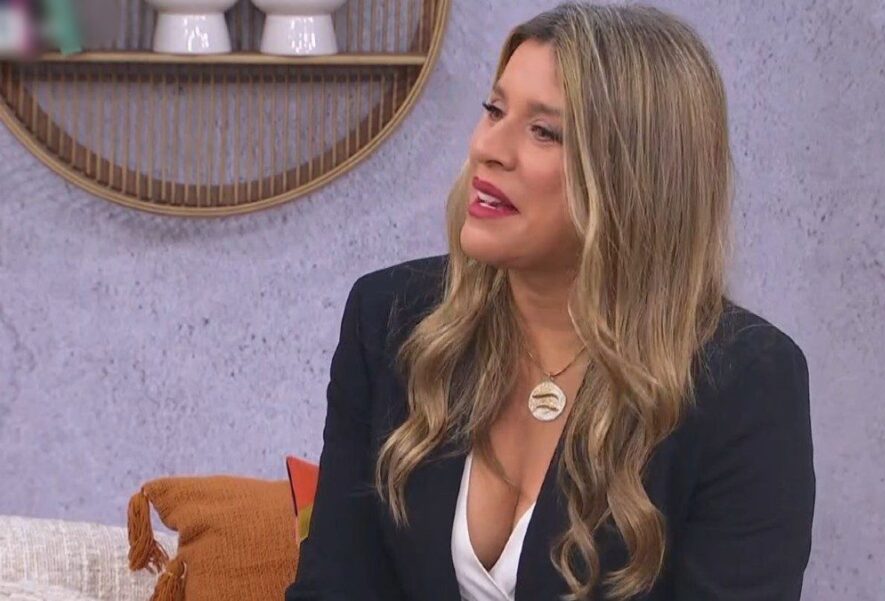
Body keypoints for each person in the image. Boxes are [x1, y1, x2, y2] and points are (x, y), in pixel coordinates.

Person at [284, 3, 815, 600]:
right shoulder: (391, 319)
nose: (489, 148)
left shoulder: (745, 380)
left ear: (632, 175)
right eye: (494, 110)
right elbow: (335, 585)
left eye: (543, 131)